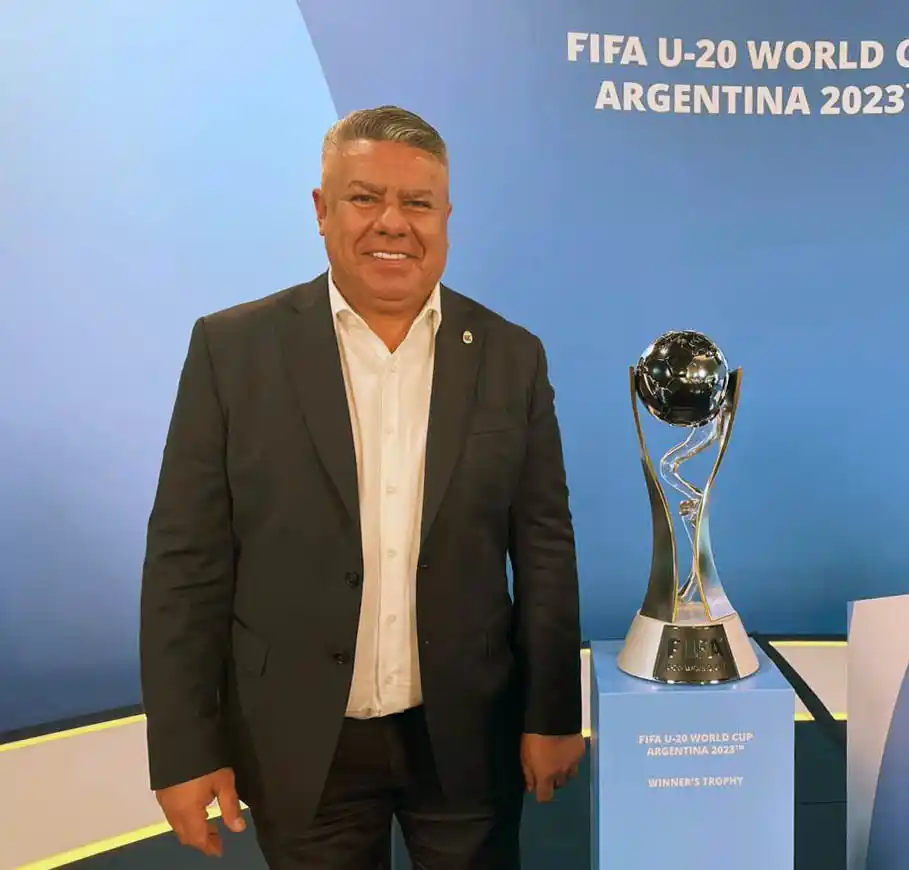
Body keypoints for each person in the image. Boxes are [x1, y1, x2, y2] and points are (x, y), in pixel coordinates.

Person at [138, 105, 585, 869]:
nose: (392, 223)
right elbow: (187, 561)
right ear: (321, 210)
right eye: (363, 197)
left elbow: (542, 546)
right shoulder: (231, 350)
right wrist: (182, 747)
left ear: (446, 217)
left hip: (467, 740)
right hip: (300, 743)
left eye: (417, 203)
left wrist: (552, 714)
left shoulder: (511, 357)